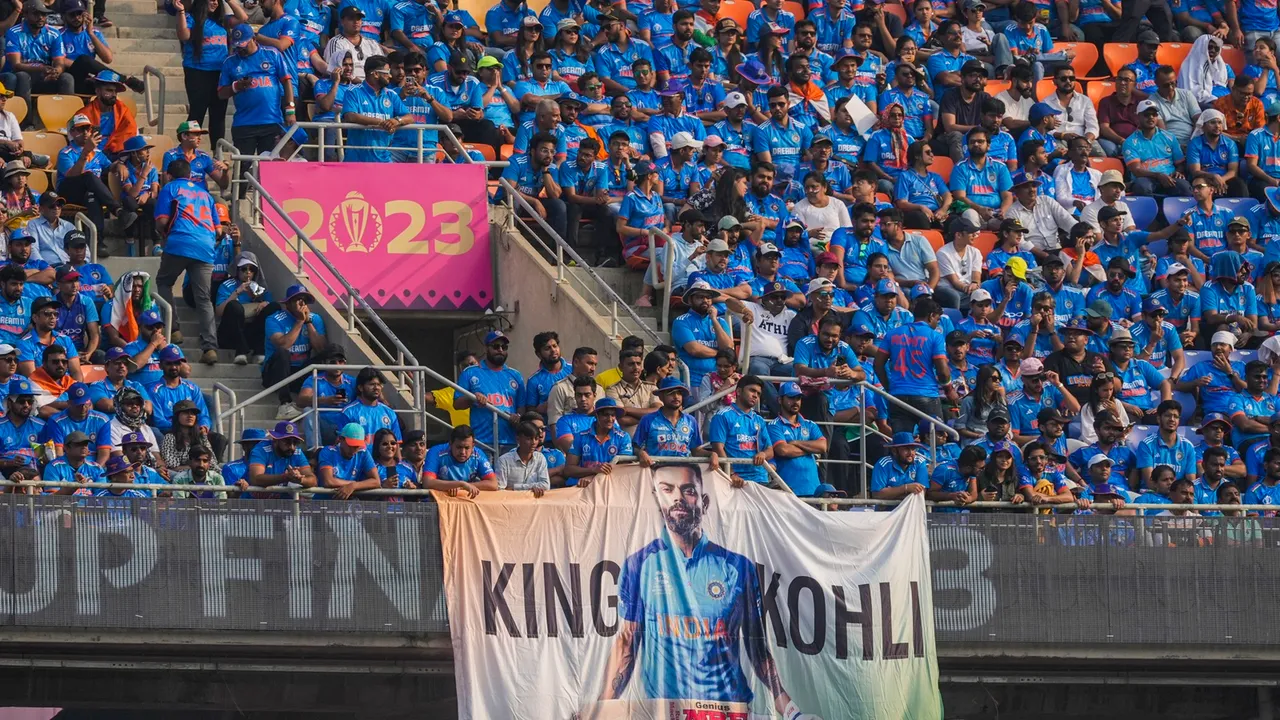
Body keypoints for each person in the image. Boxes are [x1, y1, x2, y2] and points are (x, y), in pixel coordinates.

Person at [153, 158, 218, 366]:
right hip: (206, 246)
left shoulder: (170, 188)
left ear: (169, 175)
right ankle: (210, 347)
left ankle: (174, 329)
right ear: (190, 175)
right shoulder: (205, 194)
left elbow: (162, 221)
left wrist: (164, 235)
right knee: (204, 299)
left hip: (180, 242)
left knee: (164, 282)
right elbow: (218, 229)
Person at [873, 297, 955, 432]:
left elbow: (877, 364)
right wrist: (949, 389)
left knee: (902, 442)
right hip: (926, 395)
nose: (937, 324)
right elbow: (943, 371)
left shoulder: (892, 334)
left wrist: (889, 387)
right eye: (937, 320)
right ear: (931, 316)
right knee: (934, 441)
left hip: (898, 395)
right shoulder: (935, 336)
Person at [218, 23, 294, 159]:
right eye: (237, 46)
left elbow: (287, 82)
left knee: (269, 168)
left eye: (244, 45)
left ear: (254, 39)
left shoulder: (272, 54)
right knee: (243, 169)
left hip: (271, 121)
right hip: (244, 124)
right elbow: (221, 93)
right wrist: (237, 86)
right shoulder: (230, 61)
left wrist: (290, 110)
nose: (240, 49)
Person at [261, 283, 328, 418]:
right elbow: (283, 344)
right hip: (275, 374)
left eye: (304, 299)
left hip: (300, 373)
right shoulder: (273, 319)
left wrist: (308, 322)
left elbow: (321, 349)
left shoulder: (315, 319)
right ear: (288, 303)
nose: (302, 303)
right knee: (282, 352)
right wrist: (299, 321)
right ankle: (284, 404)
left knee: (330, 353)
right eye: (298, 299)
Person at [342, 55, 418, 163]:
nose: (390, 76)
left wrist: (396, 121)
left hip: (384, 159)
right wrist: (382, 123)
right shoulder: (353, 92)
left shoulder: (391, 95)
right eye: (387, 73)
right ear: (376, 74)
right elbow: (350, 116)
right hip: (357, 159)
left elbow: (409, 117)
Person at [455, 330, 523, 451]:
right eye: (496, 346)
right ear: (486, 348)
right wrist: (473, 398)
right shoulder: (470, 372)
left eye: (504, 347)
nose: (500, 350)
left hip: (510, 441)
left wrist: (518, 417)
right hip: (482, 441)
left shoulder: (515, 375)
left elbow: (522, 407)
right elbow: (457, 404)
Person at [56, 114, 119, 242]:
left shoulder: (97, 153)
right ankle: (116, 208)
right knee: (89, 175)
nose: (85, 132)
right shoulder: (65, 153)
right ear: (72, 132)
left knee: (92, 196)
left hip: (88, 192)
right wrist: (85, 152)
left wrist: (121, 164)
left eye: (88, 129)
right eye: (80, 129)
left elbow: (111, 167)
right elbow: (72, 175)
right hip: (68, 191)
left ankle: (98, 241)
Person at [5, 0, 73, 113]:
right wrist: (41, 68)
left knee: (66, 78)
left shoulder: (54, 33)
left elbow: (60, 62)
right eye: (36, 14)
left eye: (44, 14)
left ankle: (68, 121)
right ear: (25, 15)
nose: (41, 17)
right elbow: (16, 65)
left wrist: (56, 71)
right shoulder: (14, 32)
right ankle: (27, 123)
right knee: (23, 76)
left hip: (45, 76)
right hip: (21, 76)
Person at [706, 374, 770, 488]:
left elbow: (770, 450)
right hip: (734, 480)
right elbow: (718, 448)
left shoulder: (759, 420)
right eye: (752, 390)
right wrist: (731, 474)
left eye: (758, 393)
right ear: (739, 391)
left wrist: (763, 454)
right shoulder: (722, 416)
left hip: (760, 478)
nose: (755, 395)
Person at [563, 397, 632, 487]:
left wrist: (593, 478)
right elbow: (568, 470)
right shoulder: (580, 437)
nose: (610, 419)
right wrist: (593, 470)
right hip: (583, 488)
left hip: (612, 487)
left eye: (613, 415)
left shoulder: (623, 437)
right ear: (596, 415)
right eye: (605, 415)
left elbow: (623, 469)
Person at [245, 420, 316, 493]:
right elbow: (255, 479)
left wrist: (300, 479)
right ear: (275, 440)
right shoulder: (261, 450)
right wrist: (285, 477)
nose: (292, 447)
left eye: (295, 442)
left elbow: (313, 480)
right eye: (287, 442)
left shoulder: (297, 453)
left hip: (282, 502)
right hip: (255, 502)